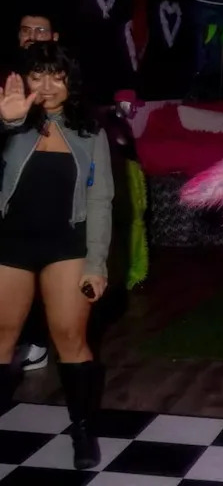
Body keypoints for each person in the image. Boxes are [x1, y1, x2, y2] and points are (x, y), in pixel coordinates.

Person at [0, 41, 114, 469]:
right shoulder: (9, 119)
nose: (47, 85)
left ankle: (83, 433)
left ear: (71, 80)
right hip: (9, 243)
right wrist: (7, 124)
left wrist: (96, 264)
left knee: (70, 338)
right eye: (37, 75)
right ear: (22, 79)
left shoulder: (90, 130)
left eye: (57, 75)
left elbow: (100, 200)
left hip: (66, 245)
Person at [10, 10, 61, 373]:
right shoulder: (9, 78)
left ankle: (37, 342)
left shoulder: (64, 75)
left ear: (53, 36)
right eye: (25, 30)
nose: (31, 36)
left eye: (39, 30)